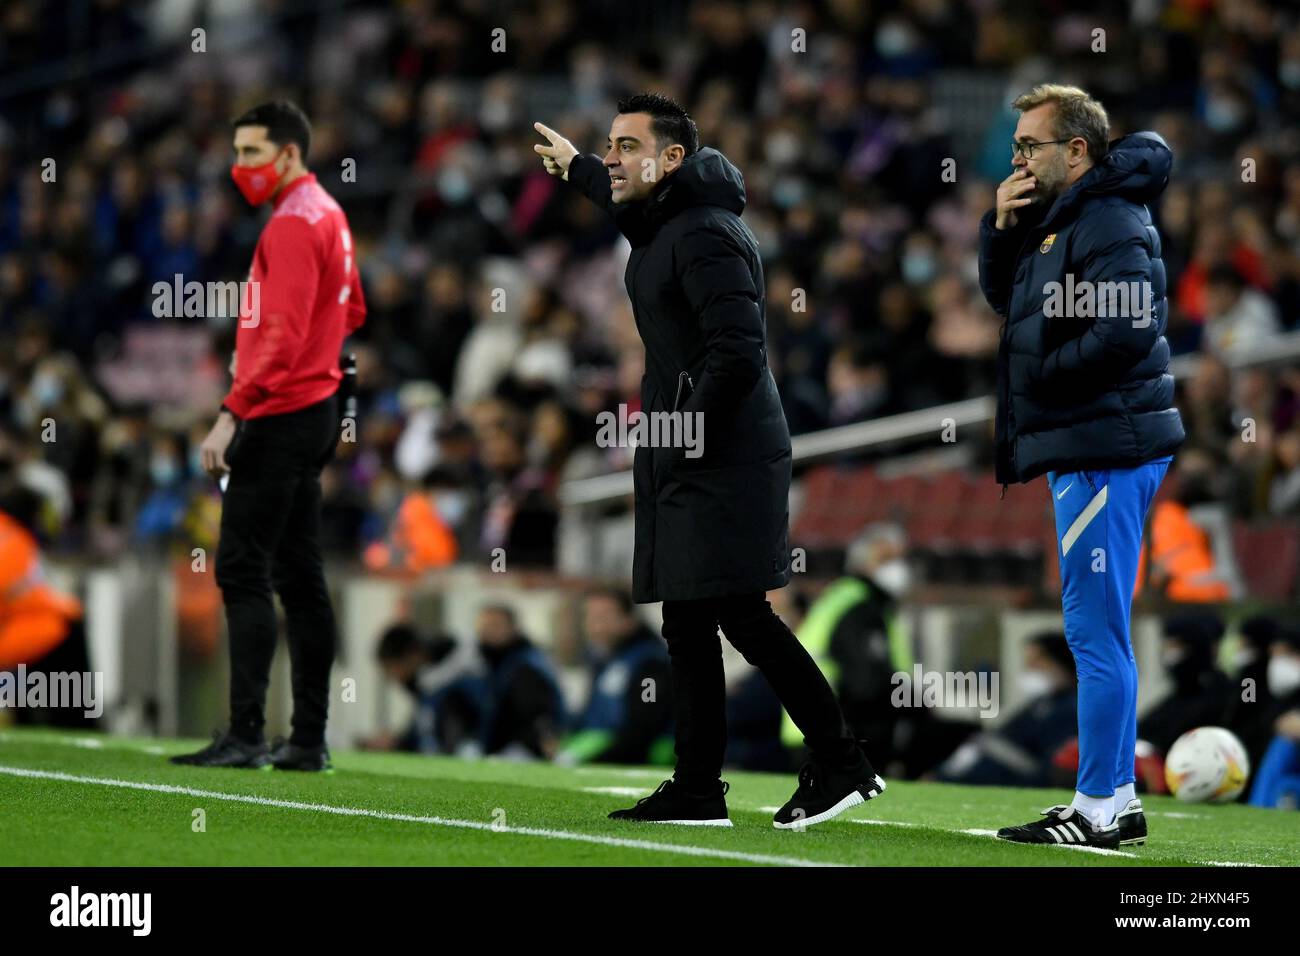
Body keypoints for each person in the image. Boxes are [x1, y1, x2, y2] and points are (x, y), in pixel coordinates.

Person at [534, 93, 882, 828]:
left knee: (740, 616)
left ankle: (842, 760)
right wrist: (576, 171)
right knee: (688, 624)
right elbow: (629, 211)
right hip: (690, 449)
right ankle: (696, 788)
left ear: (671, 161)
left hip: (724, 454)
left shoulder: (705, 235)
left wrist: (683, 433)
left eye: (627, 147)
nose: (611, 158)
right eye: (608, 144)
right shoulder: (667, 221)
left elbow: (738, 354)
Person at [978, 85, 1185, 848]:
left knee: (1095, 633)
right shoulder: (1062, 219)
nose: (1018, 159)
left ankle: (1102, 804)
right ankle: (1111, 798)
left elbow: (1130, 330)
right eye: (1015, 148)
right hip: (1090, 443)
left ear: (1076, 150)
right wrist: (1001, 227)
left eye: (1030, 145)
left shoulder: (1109, 218)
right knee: (1098, 631)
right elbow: (1012, 304)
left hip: (1107, 445)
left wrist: (1048, 376)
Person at [171, 101, 366, 771]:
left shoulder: (289, 225)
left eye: (252, 153)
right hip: (316, 408)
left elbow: (279, 335)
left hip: (280, 411)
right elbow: (354, 308)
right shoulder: (331, 217)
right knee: (300, 574)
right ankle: (307, 737)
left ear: (288, 154)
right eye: (237, 153)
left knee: (242, 569)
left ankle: (247, 734)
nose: (240, 167)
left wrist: (233, 410)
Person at [556, 587, 673, 766]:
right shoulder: (602, 659)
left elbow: (646, 725)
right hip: (602, 745)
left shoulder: (651, 665)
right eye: (589, 615)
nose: (593, 623)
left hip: (642, 754)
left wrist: (597, 760)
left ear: (628, 619)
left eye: (603, 616)